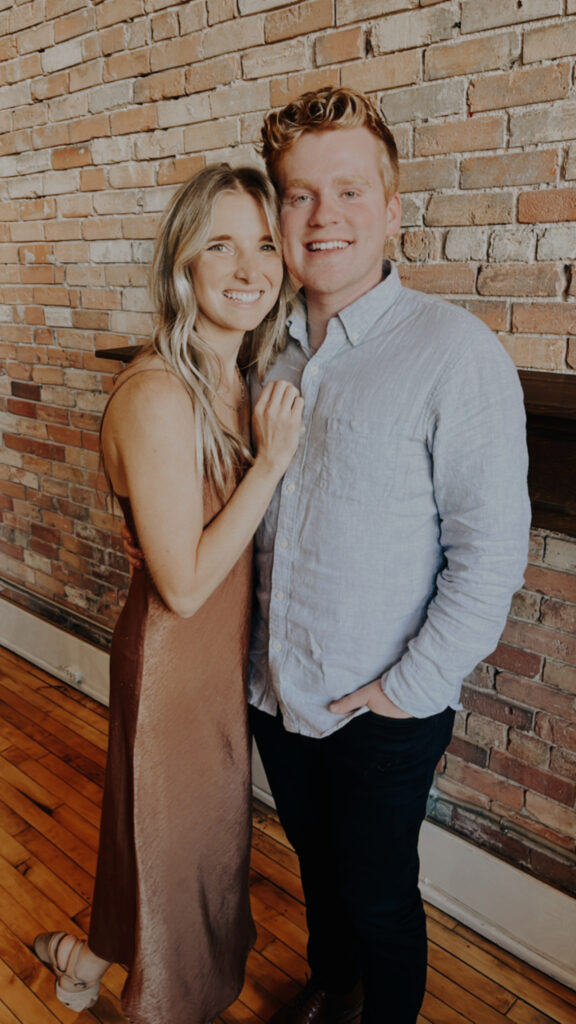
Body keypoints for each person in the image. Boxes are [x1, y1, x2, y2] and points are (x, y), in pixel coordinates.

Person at [246, 87, 531, 1024]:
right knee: (318, 877)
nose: (324, 216)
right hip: (276, 687)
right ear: (278, 213)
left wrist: (408, 690)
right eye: (299, 194)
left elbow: (488, 554)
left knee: (377, 894)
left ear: (393, 209)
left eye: (350, 191)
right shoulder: (264, 353)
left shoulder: (455, 353)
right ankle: (332, 988)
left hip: (384, 706)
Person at [33, 163, 303, 1024]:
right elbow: (183, 585)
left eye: (264, 244)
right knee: (178, 859)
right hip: (174, 670)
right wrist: (270, 466)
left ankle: (82, 963)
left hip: (221, 667)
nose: (248, 267)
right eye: (219, 244)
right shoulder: (158, 394)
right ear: (182, 261)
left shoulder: (240, 377)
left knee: (162, 847)